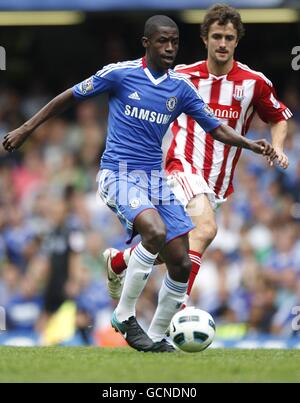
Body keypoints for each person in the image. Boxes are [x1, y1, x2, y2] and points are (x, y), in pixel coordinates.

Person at [3, 15, 277, 353]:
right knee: (155, 230)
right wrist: (26, 129)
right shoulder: (119, 74)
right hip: (118, 174)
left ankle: (159, 336)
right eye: (162, 41)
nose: (170, 48)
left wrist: (250, 145)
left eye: (174, 42)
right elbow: (70, 96)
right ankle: (124, 316)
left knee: (181, 262)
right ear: (146, 43)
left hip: (155, 179)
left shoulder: (180, 88)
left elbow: (216, 127)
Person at [103, 6, 291, 316]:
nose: (222, 43)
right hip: (181, 167)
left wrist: (278, 147)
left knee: (175, 246)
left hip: (218, 183)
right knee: (205, 228)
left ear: (236, 41)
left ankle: (119, 261)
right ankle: (179, 307)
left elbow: (279, 117)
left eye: (229, 38)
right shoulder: (182, 77)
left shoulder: (254, 83)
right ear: (205, 38)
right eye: (216, 36)